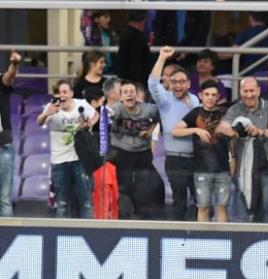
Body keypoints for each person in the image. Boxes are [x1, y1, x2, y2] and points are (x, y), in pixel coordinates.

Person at [149, 46, 200, 220]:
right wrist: (162, 58)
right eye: (174, 82)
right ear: (169, 83)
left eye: (182, 82)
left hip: (195, 158)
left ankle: (197, 236)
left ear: (188, 83)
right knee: (179, 199)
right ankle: (176, 238)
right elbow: (152, 84)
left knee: (199, 200)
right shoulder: (165, 100)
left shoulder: (195, 100)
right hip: (175, 158)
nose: (178, 85)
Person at [219, 77, 268, 222]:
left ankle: (265, 239)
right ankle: (242, 240)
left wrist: (258, 131)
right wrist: (234, 129)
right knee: (241, 209)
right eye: (245, 91)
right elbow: (222, 128)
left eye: (252, 90)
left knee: (265, 208)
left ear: (258, 90)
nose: (249, 94)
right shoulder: (235, 109)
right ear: (240, 92)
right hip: (241, 168)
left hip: (267, 167)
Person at [37, 79, 97, 218]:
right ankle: (62, 234)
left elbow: (96, 115)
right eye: (58, 92)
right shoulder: (51, 106)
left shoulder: (80, 104)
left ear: (71, 93)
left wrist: (89, 124)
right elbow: (39, 122)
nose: (61, 95)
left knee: (86, 201)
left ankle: (89, 232)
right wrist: (47, 113)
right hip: (59, 161)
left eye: (65, 92)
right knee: (62, 203)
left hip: (80, 159)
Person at [172, 79, 231, 222]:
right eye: (207, 94)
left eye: (213, 95)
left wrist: (233, 158)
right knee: (203, 207)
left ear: (217, 97)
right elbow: (175, 131)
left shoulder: (225, 113)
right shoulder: (195, 113)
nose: (210, 98)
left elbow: (234, 138)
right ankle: (203, 239)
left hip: (223, 168)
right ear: (200, 95)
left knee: (222, 206)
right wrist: (196, 129)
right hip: (201, 169)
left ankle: (222, 239)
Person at [106, 80, 161, 219]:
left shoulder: (148, 109)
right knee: (124, 187)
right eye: (125, 92)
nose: (129, 95)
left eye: (132, 92)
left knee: (148, 186)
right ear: (121, 97)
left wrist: (149, 131)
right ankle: (124, 217)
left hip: (142, 153)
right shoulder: (117, 108)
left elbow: (159, 118)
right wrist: (109, 114)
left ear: (136, 95)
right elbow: (111, 113)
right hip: (122, 153)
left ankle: (142, 216)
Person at [0, 50, 20, 217]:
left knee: (4, 199)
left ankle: (6, 241)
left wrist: (14, 64)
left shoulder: (1, 82)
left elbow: (9, 76)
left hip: (2, 149)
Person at [117, 10, 152, 87]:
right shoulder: (137, 37)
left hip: (127, 79)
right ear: (143, 20)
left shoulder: (125, 34)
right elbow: (136, 62)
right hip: (136, 82)